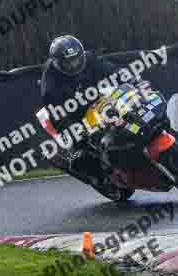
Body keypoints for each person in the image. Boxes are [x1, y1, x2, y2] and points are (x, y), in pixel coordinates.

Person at [40, 35, 122, 187]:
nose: (73, 65)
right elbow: (56, 115)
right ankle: (99, 177)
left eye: (76, 59)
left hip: (98, 100)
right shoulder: (51, 83)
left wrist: (132, 79)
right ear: (57, 62)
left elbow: (113, 71)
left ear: (81, 55)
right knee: (81, 156)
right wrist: (72, 130)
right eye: (68, 62)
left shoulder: (90, 59)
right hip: (73, 113)